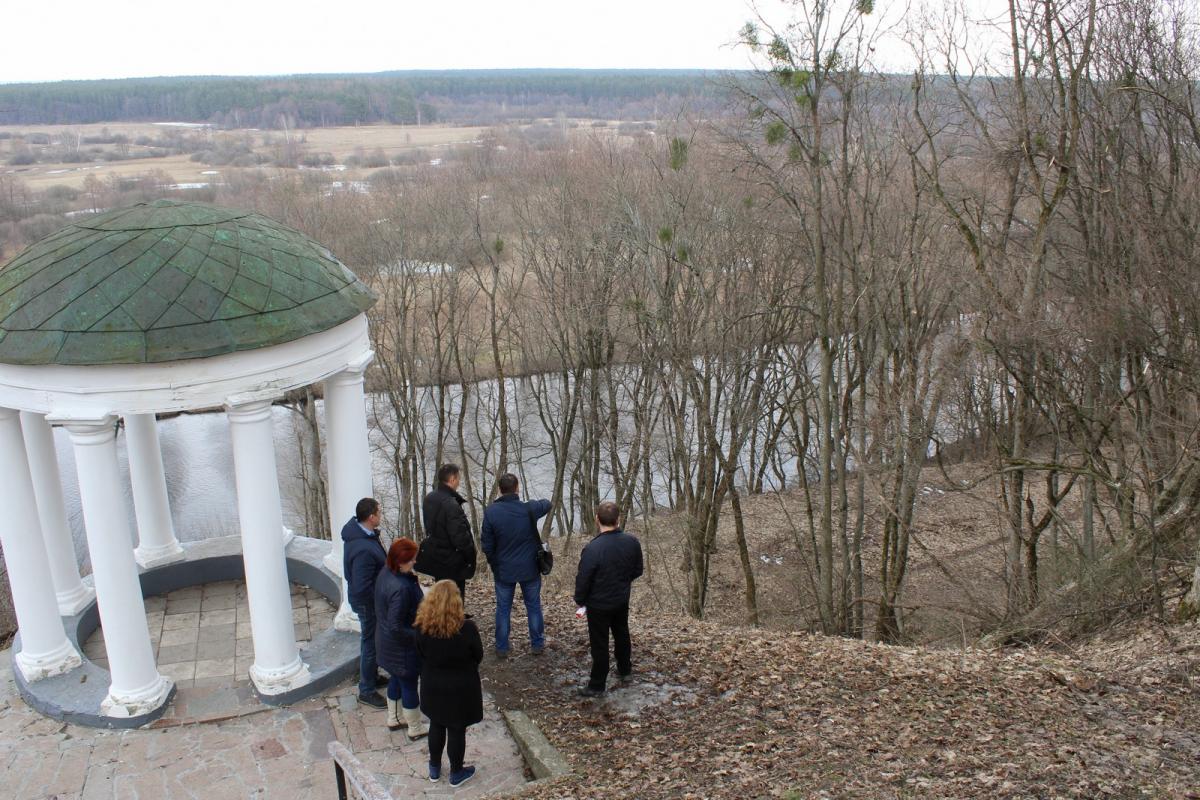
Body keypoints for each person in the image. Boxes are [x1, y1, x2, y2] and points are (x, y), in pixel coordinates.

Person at [415, 580, 483, 787]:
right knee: (456, 729)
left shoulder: (422, 626)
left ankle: (434, 769)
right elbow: (478, 655)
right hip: (460, 688)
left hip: (432, 685)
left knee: (436, 723)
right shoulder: (467, 628)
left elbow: (420, 653)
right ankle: (456, 772)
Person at [573, 501, 644, 697]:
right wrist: (622, 582)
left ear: (597, 520)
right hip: (621, 599)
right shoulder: (632, 542)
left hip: (598, 604)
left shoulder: (593, 549)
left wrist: (580, 599)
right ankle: (625, 670)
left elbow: (584, 577)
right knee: (622, 633)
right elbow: (637, 570)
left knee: (600, 642)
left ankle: (597, 685)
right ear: (618, 519)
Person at [480, 472, 551, 658]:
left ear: (499, 490)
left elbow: (487, 545)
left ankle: (502, 647)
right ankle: (537, 644)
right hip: (529, 568)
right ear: (517, 487)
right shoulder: (529, 509)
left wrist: (494, 564)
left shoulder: (491, 512)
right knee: (533, 605)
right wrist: (530, 503)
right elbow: (547, 503)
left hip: (504, 569)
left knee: (503, 608)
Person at [374, 537, 428, 739]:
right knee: (409, 684)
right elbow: (396, 625)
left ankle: (394, 718)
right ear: (400, 561)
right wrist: (420, 636)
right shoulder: (401, 588)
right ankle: (415, 728)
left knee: (395, 678)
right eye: (411, 559)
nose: (414, 562)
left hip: (386, 643)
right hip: (403, 648)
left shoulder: (385, 573)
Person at [342, 497, 388, 708]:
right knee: (370, 644)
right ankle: (366, 689)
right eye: (379, 512)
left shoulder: (363, 535)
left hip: (366, 600)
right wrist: (379, 601)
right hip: (368, 603)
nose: (380, 514)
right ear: (371, 517)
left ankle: (373, 675)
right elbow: (362, 585)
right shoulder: (363, 548)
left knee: (372, 641)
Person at [416, 464, 477, 604]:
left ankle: (441, 622)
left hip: (437, 557)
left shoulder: (429, 498)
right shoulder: (450, 503)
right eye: (458, 478)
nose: (459, 481)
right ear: (452, 479)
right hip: (453, 561)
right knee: (454, 599)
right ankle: (454, 624)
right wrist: (470, 556)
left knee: (442, 596)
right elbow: (460, 537)